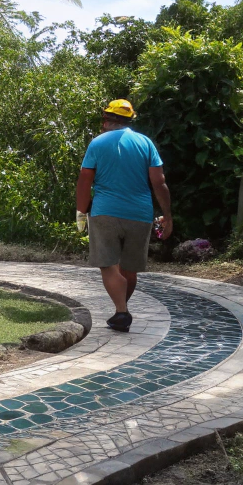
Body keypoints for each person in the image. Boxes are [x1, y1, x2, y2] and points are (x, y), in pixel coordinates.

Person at [74, 99, 172, 332]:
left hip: (105, 212)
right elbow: (159, 182)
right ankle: (121, 311)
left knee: (108, 265)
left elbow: (85, 179)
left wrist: (81, 208)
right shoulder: (145, 143)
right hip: (140, 213)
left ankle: (121, 311)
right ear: (129, 120)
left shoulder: (97, 143)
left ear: (108, 120)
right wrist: (167, 215)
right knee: (129, 269)